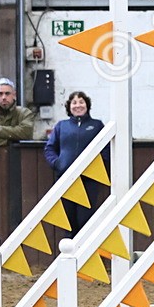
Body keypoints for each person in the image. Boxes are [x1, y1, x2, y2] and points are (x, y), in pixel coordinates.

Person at [44, 91, 106, 235]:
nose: (78, 105)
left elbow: (106, 149)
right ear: (69, 106)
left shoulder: (97, 125)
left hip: (89, 180)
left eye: (81, 102)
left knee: (86, 221)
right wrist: (57, 163)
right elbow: (50, 148)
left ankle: (86, 255)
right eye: (74, 102)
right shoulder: (61, 126)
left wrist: (98, 165)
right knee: (68, 222)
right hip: (66, 179)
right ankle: (69, 256)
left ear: (87, 105)